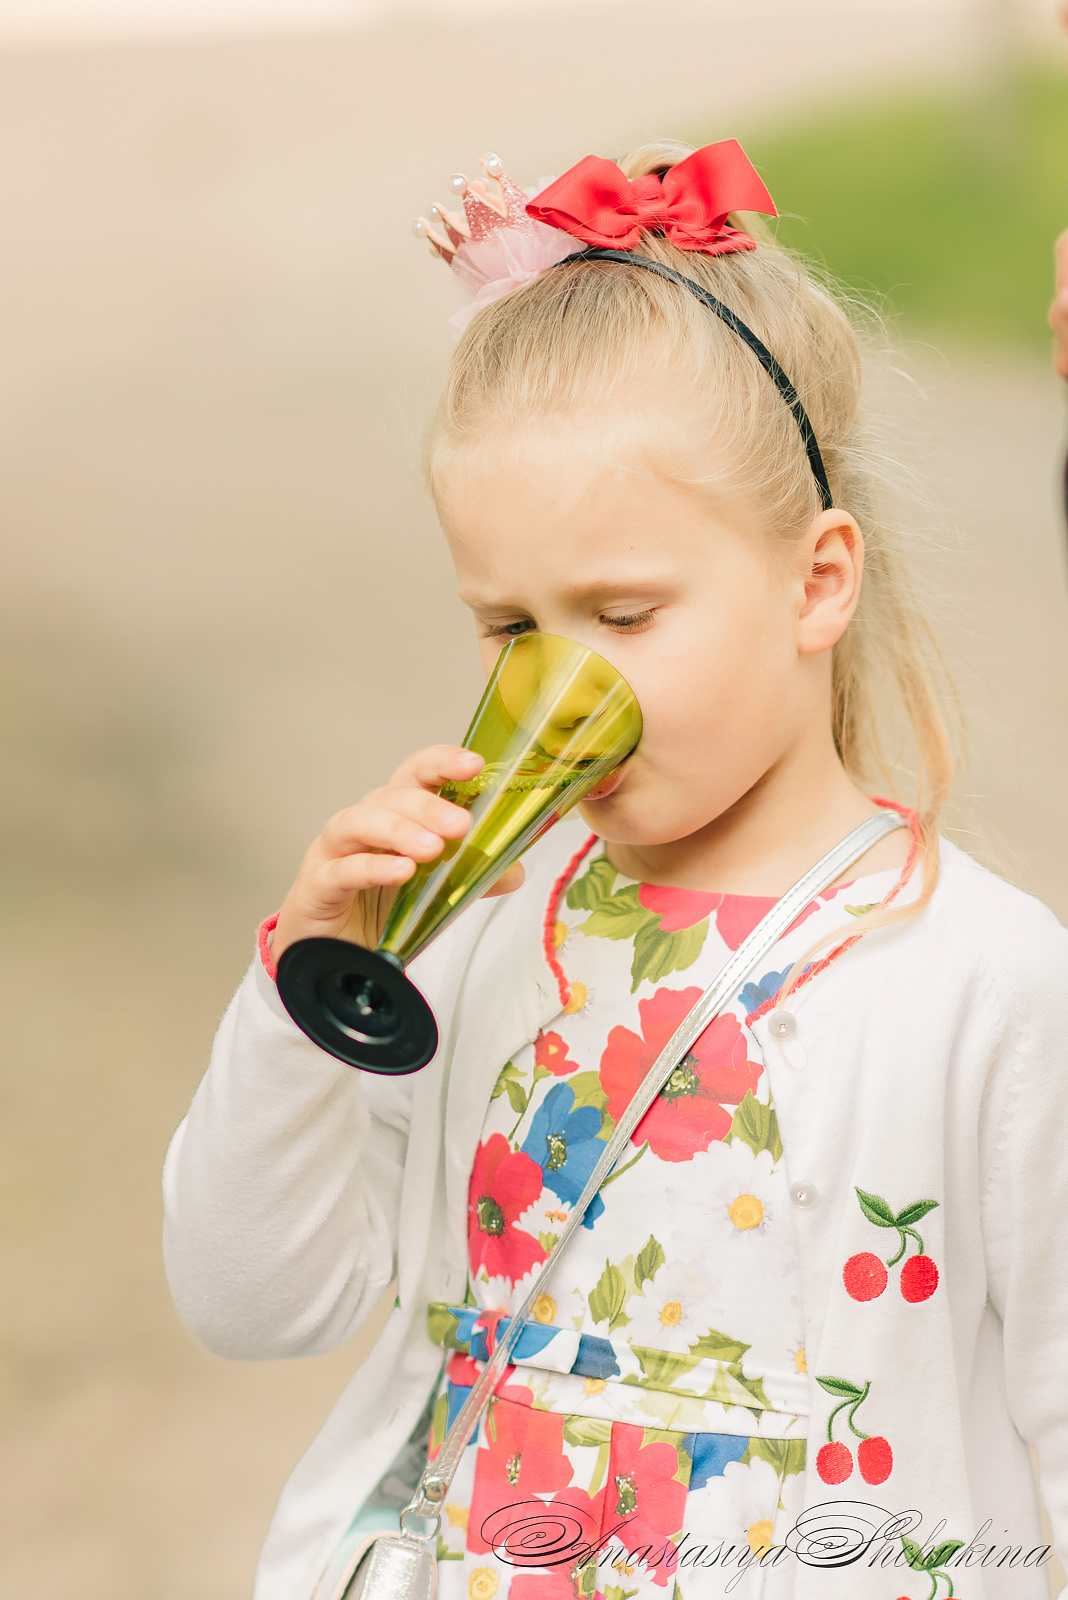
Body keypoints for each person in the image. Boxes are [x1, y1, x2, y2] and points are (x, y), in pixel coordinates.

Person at [163, 138, 1068, 1600]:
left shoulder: (980, 980)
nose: (564, 688)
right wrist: (304, 998)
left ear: (816, 581)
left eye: (626, 616)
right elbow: (251, 1300)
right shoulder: (475, 932)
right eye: (512, 630)